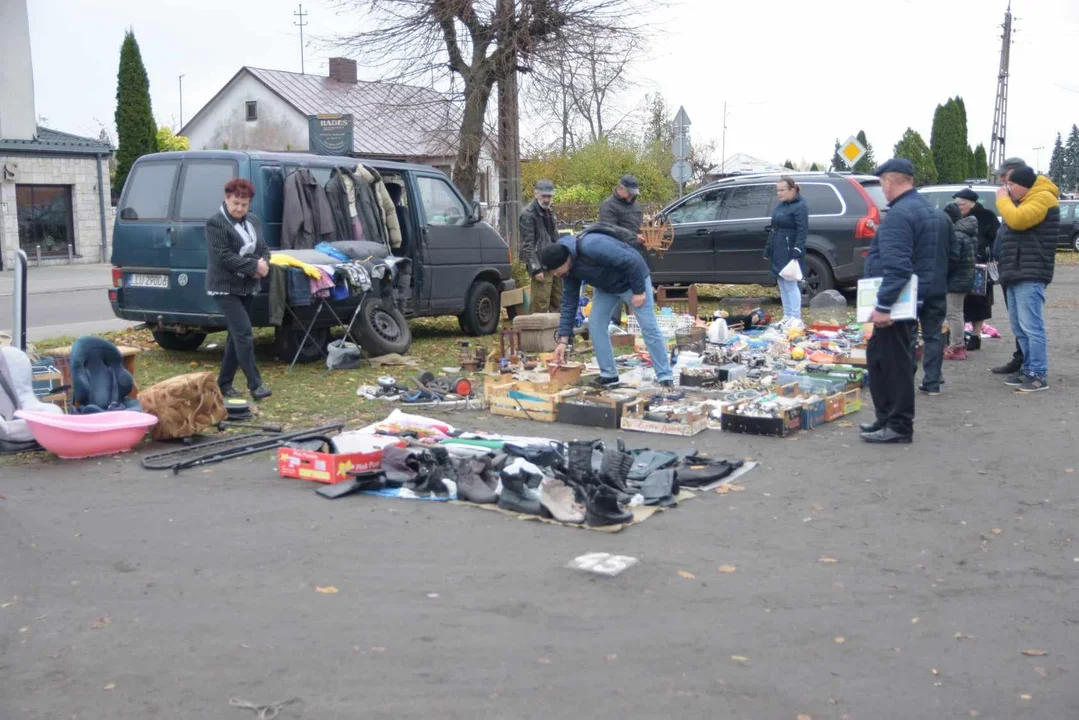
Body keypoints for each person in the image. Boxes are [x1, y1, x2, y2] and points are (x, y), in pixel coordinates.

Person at [860, 158, 949, 444]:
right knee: (880, 359)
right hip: (913, 297)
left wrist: (883, 306)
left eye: (881, 184)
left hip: (896, 304)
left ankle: (898, 425)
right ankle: (886, 418)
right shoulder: (927, 209)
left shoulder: (900, 214)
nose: (882, 190)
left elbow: (897, 268)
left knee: (893, 364)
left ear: (889, 180)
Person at [542, 229, 674, 388]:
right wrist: (563, 340)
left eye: (555, 270)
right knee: (595, 324)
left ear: (565, 260)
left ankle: (665, 376)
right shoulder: (568, 272)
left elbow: (633, 261)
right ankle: (609, 374)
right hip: (606, 287)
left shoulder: (592, 246)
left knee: (648, 326)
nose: (555, 274)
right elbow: (569, 302)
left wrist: (639, 291)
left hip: (633, 281)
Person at [205, 178, 272, 401]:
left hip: (248, 286)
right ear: (227, 198)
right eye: (235, 203)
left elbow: (263, 248)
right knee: (244, 333)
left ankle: (223, 383)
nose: (240, 208)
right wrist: (254, 266)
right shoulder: (215, 223)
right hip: (224, 287)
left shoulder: (253, 221)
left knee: (236, 336)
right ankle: (256, 385)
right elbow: (223, 257)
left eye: (244, 204)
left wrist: (264, 264)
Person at [995, 165, 1060, 393]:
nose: (1007, 188)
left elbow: (1017, 221)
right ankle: (1028, 368)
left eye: (1011, 184)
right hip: (1016, 271)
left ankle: (1038, 374)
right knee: (1019, 326)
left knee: (1032, 326)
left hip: (1030, 272)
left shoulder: (1043, 198)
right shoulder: (1025, 200)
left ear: (1023, 185)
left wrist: (1002, 200)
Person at [990, 158, 1028, 375]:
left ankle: (1029, 364)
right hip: (1007, 267)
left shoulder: (1026, 201)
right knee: (1016, 319)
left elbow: (1017, 224)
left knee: (1025, 320)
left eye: (1005, 177)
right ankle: (1020, 357)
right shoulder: (1014, 200)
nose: (1002, 182)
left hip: (1021, 269)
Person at [954, 188, 1000, 350]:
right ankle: (960, 335)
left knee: (979, 302)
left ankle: (976, 335)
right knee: (959, 302)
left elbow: (996, 239)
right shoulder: (956, 216)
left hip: (980, 265)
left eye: (961, 204)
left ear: (971, 204)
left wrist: (987, 253)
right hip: (961, 265)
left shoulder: (987, 216)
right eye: (957, 204)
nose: (959, 207)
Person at [598, 175, 646, 326]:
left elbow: (639, 225)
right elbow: (609, 230)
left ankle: (635, 322)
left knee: (634, 287)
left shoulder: (636, 205)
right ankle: (613, 323)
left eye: (634, 193)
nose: (632, 196)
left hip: (635, 253)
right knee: (617, 287)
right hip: (616, 254)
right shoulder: (608, 206)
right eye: (629, 192)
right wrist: (634, 238)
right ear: (620, 188)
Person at [766, 176, 809, 328]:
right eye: (777, 190)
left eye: (782, 190)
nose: (779, 193)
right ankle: (787, 315)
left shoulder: (800, 206)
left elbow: (802, 230)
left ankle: (796, 317)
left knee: (790, 283)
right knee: (782, 284)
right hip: (778, 248)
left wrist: (798, 248)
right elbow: (774, 228)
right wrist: (768, 247)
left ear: (792, 189)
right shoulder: (781, 206)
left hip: (790, 249)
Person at [519, 180, 562, 313]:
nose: (547, 199)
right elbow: (527, 245)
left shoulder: (549, 211)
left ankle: (558, 328)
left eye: (549, 196)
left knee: (559, 302)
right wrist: (536, 268)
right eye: (544, 196)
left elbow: (554, 237)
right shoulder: (528, 214)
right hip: (540, 263)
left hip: (554, 262)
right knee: (540, 306)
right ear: (536, 194)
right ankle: (537, 329)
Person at [941, 203, 976, 360]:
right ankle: (957, 344)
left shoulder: (956, 234)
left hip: (955, 279)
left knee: (953, 313)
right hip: (965, 277)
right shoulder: (969, 232)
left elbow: (952, 259)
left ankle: (957, 347)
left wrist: (943, 274)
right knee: (957, 312)